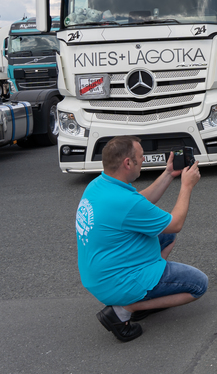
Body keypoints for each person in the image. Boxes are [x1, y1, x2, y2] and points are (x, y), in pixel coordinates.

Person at [75, 135, 207, 342]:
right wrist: (186, 186)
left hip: (99, 273)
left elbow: (139, 204)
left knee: (165, 234)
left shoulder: (98, 185)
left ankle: (146, 292)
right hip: (116, 281)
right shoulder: (124, 201)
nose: (144, 160)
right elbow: (176, 223)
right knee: (199, 285)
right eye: (141, 156)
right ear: (128, 163)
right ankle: (124, 308)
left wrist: (168, 174)